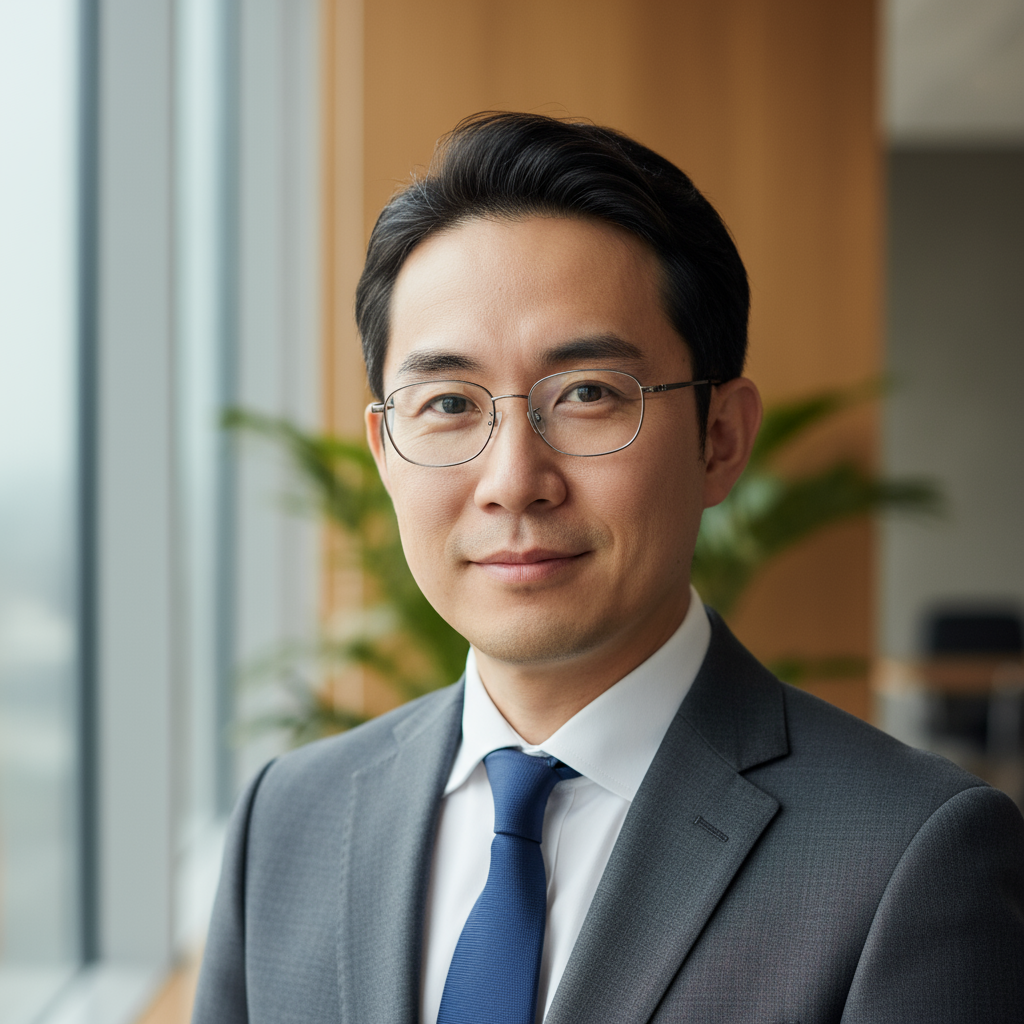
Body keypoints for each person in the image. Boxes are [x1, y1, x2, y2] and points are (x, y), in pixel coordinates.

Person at [192, 113, 1024, 1024]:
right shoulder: (288, 821)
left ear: (720, 439)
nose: (513, 482)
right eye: (449, 403)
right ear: (385, 451)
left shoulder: (909, 857)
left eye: (588, 394)